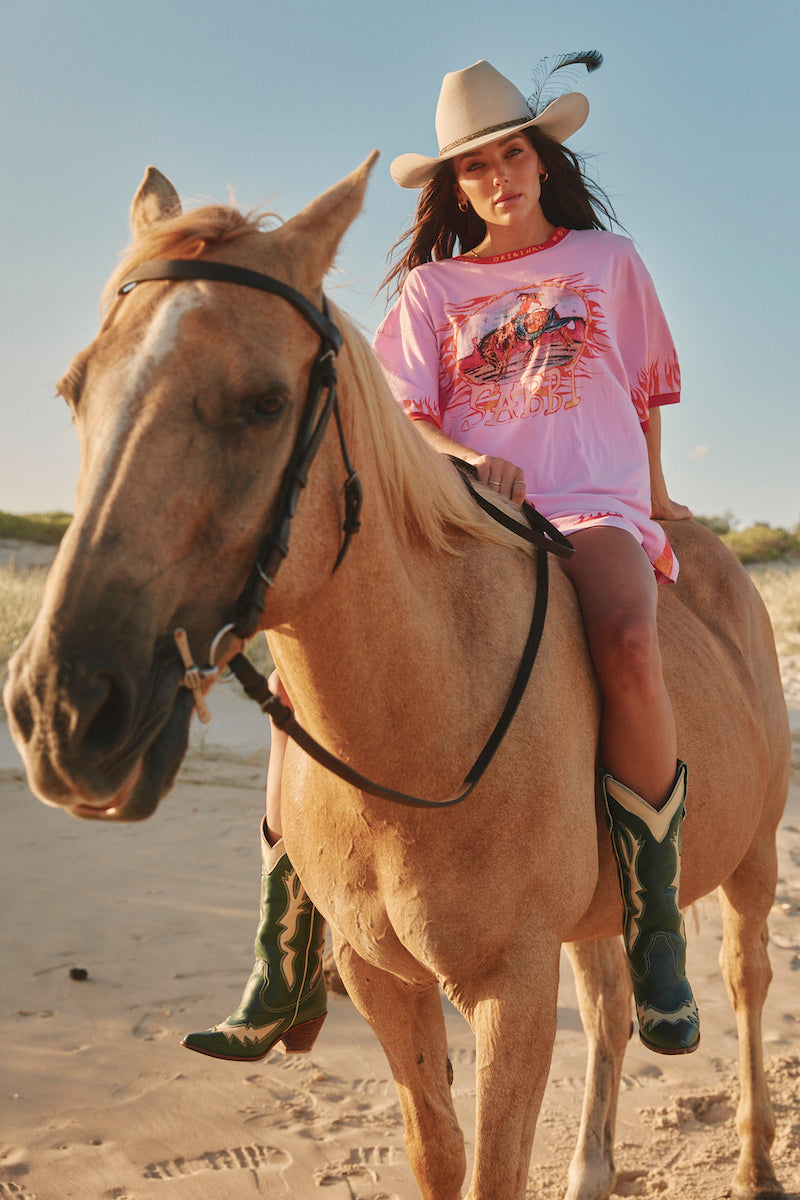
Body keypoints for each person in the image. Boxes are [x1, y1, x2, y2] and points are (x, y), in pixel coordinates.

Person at [182, 55, 700, 1063]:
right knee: (305, 672)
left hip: (589, 504)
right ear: (455, 189)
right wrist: (474, 461)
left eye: (512, 154)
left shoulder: (607, 263)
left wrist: (657, 503)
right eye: (476, 168)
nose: (499, 177)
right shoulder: (430, 289)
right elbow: (400, 422)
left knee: (630, 644)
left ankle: (654, 925)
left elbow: (640, 395)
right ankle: (283, 955)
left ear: (540, 159)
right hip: (461, 516)